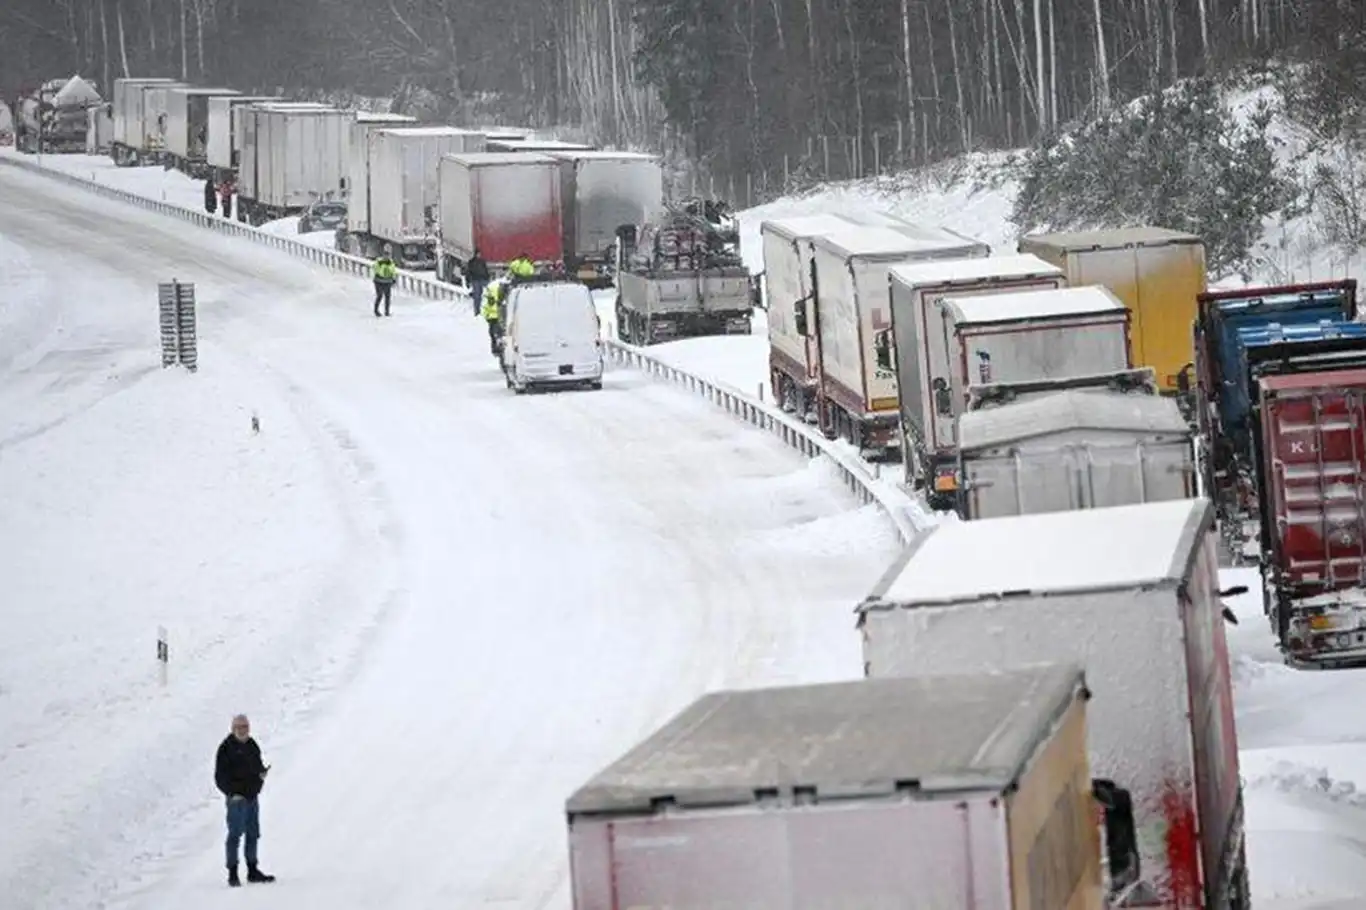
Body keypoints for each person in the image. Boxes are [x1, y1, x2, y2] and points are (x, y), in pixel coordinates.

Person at [214, 714, 275, 887]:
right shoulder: (226, 748)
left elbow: (256, 766)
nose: (243, 730)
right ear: (232, 729)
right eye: (239, 727)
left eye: (245, 727)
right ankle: (233, 873)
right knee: (235, 835)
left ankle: (252, 870)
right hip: (236, 800)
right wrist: (232, 793)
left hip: (252, 798)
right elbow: (220, 777)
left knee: (253, 834)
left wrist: (261, 775)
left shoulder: (252, 745)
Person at [481, 279, 507, 356]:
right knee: (501, 334)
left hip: (493, 317)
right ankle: (500, 349)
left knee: (494, 334)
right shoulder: (507, 286)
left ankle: (496, 349)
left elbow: (486, 304)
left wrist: (486, 315)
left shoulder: (491, 287)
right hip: (502, 316)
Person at [373, 249, 398, 317]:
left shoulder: (391, 263)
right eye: (385, 256)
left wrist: (393, 278)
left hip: (388, 281)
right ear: (383, 256)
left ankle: (387, 311)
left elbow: (393, 271)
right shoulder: (379, 262)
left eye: (388, 256)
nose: (386, 257)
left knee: (388, 297)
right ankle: (376, 310)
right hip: (379, 281)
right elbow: (376, 270)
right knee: (380, 295)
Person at [465, 248, 490, 317]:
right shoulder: (471, 262)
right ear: (476, 254)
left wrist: (487, 278)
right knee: (477, 296)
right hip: (475, 280)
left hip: (481, 279)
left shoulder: (482, 262)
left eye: (479, 254)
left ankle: (481, 310)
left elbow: (485, 271)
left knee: (481, 294)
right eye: (478, 254)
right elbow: (468, 272)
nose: (479, 255)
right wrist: (468, 281)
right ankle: (477, 312)